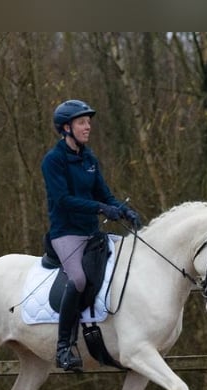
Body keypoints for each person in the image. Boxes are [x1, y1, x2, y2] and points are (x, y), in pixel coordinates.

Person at [42, 99, 141, 372]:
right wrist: (100, 208)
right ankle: (64, 347)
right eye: (82, 122)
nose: (88, 127)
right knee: (79, 278)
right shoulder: (53, 161)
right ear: (66, 128)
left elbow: (104, 195)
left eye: (88, 122)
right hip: (66, 234)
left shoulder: (89, 158)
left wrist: (124, 210)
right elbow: (63, 200)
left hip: (92, 233)